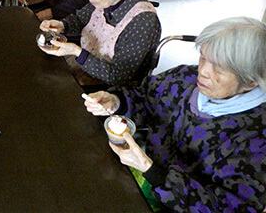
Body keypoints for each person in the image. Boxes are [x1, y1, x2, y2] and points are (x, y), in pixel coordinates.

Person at [84, 17, 266, 212]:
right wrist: (116, 101)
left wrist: (154, 173)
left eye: (219, 68)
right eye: (203, 57)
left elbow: (229, 207)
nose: (203, 71)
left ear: (251, 81)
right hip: (145, 175)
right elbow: (144, 98)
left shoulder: (256, 137)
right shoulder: (183, 78)